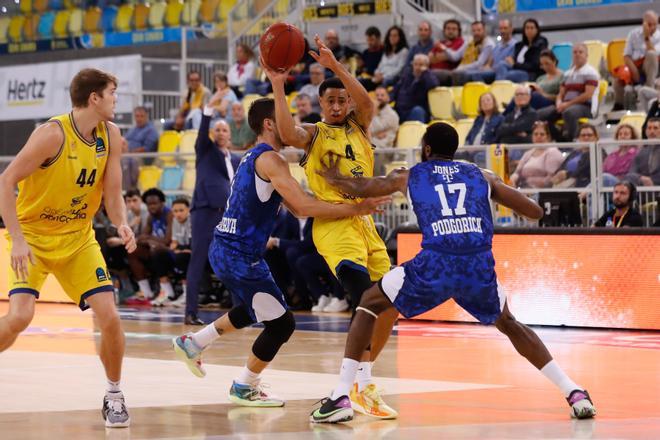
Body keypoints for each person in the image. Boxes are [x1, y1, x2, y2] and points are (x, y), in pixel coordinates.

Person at [310, 122, 596, 423]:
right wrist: (492, 193)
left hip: (437, 263)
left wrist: (333, 176)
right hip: (477, 265)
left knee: (369, 301)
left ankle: (341, 393)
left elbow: (360, 187)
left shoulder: (408, 175)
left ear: (427, 148)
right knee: (510, 323)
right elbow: (534, 212)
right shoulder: (481, 175)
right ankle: (573, 391)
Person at [172, 98, 386, 407]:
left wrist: (332, 189)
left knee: (257, 307)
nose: (293, 125)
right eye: (286, 119)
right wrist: (355, 207)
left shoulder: (251, 157)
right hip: (239, 255)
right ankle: (245, 386)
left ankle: (194, 343)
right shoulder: (272, 161)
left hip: (228, 249)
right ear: (269, 124)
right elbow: (301, 208)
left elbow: (295, 200)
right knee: (282, 323)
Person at [268, 36, 400, 419]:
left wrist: (336, 66)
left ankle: (362, 383)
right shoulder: (313, 134)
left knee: (390, 306)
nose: (339, 105)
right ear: (321, 105)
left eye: (342, 100)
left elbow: (368, 102)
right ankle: (350, 389)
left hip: (366, 226)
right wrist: (278, 85)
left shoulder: (360, 125)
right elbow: (287, 134)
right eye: (332, 101)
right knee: (365, 299)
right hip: (333, 224)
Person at [0, 68, 136, 427]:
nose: (115, 100)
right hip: (33, 236)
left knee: (109, 316)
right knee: (19, 318)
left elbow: (112, 194)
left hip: (78, 238)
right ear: (94, 98)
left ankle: (114, 394)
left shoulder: (111, 135)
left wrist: (122, 221)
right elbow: (5, 181)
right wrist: (16, 238)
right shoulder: (51, 134)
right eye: (112, 94)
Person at [185, 91, 242, 325]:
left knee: (232, 261)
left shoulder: (237, 160)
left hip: (227, 217)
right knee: (198, 261)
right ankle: (190, 312)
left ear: (230, 135)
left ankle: (241, 311)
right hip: (205, 212)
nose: (220, 132)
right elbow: (202, 133)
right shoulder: (205, 151)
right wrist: (208, 110)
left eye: (224, 129)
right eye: (216, 129)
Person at [537, 44, 600, 142]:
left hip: (585, 106)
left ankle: (573, 140)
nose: (577, 54)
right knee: (541, 115)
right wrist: (559, 103)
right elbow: (561, 93)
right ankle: (560, 139)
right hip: (566, 104)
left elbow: (587, 95)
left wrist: (567, 104)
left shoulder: (591, 72)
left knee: (569, 112)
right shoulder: (567, 74)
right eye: (575, 52)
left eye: (580, 52)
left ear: (586, 55)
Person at [127, 188, 175, 307]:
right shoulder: (150, 217)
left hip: (171, 251)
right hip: (156, 250)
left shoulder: (169, 214)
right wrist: (149, 240)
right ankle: (146, 292)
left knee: (157, 250)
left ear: (162, 203)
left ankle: (168, 292)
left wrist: (150, 239)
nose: (151, 207)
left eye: (154, 204)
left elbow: (167, 240)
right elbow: (143, 237)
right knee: (133, 251)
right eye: (149, 204)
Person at [612, 11, 660, 111]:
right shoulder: (633, 34)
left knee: (651, 54)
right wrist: (634, 71)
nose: (652, 27)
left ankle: (648, 88)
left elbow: (654, 53)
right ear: (644, 23)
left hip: (653, 67)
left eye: (655, 24)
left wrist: (647, 37)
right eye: (649, 24)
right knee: (617, 81)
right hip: (635, 66)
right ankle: (619, 106)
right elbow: (626, 55)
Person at [510, 121, 564, 188]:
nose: (538, 136)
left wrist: (531, 185)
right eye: (535, 134)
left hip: (542, 191)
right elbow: (517, 172)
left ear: (548, 136)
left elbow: (551, 179)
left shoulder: (553, 152)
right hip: (523, 188)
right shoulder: (528, 153)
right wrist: (513, 179)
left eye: (542, 134)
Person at [441, 21, 495, 86]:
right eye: (474, 31)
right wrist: (445, 48)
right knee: (439, 75)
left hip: (479, 70)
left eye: (479, 30)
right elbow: (456, 56)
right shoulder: (469, 42)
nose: (476, 33)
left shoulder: (488, 44)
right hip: (464, 69)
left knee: (457, 74)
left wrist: (462, 68)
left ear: (484, 31)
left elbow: (479, 63)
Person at [495, 18, 548, 82]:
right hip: (516, 69)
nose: (529, 30)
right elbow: (514, 60)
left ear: (537, 30)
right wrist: (511, 60)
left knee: (508, 75)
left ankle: (500, 88)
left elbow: (534, 65)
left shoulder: (540, 45)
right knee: (501, 64)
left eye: (532, 28)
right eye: (527, 28)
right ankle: (499, 87)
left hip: (530, 73)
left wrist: (515, 64)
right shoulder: (520, 45)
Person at [467, 19, 517, 84]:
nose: (502, 31)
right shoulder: (497, 46)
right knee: (473, 74)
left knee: (478, 75)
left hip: (501, 71)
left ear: (511, 29)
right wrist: (486, 66)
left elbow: (509, 62)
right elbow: (490, 60)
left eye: (505, 28)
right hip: (492, 70)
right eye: (501, 28)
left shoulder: (515, 45)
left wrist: (493, 68)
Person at [392, 54, 439, 123]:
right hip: (400, 110)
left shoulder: (428, 77)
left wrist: (425, 72)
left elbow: (433, 84)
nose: (417, 67)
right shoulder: (406, 76)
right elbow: (394, 91)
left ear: (426, 66)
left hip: (415, 110)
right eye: (415, 64)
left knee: (417, 111)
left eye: (421, 65)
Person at [550, 124, 598, 188]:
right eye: (583, 135)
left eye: (589, 135)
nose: (586, 137)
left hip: (581, 184)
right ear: (579, 138)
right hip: (564, 182)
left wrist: (567, 174)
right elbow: (562, 166)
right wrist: (558, 174)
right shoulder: (574, 153)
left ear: (595, 137)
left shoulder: (598, 152)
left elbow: (585, 171)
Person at [362, 25, 409, 90]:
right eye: (391, 35)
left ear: (400, 37)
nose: (392, 38)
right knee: (359, 82)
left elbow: (399, 70)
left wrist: (383, 77)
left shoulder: (404, 51)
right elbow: (380, 65)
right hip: (378, 77)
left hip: (390, 79)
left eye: (395, 36)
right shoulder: (387, 50)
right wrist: (377, 73)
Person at [169, 197, 192, 307]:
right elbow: (174, 243)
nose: (178, 214)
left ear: (188, 209)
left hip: (196, 253)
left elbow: (193, 244)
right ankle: (167, 293)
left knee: (182, 257)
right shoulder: (175, 221)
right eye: (175, 211)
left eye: (181, 210)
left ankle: (188, 295)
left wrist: (179, 248)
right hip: (183, 250)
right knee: (160, 256)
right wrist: (178, 248)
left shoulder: (193, 220)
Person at [626, 117, 660, 186]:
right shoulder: (641, 152)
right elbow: (631, 173)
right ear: (646, 131)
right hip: (644, 191)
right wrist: (640, 178)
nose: (652, 131)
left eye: (655, 128)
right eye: (649, 128)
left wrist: (653, 181)